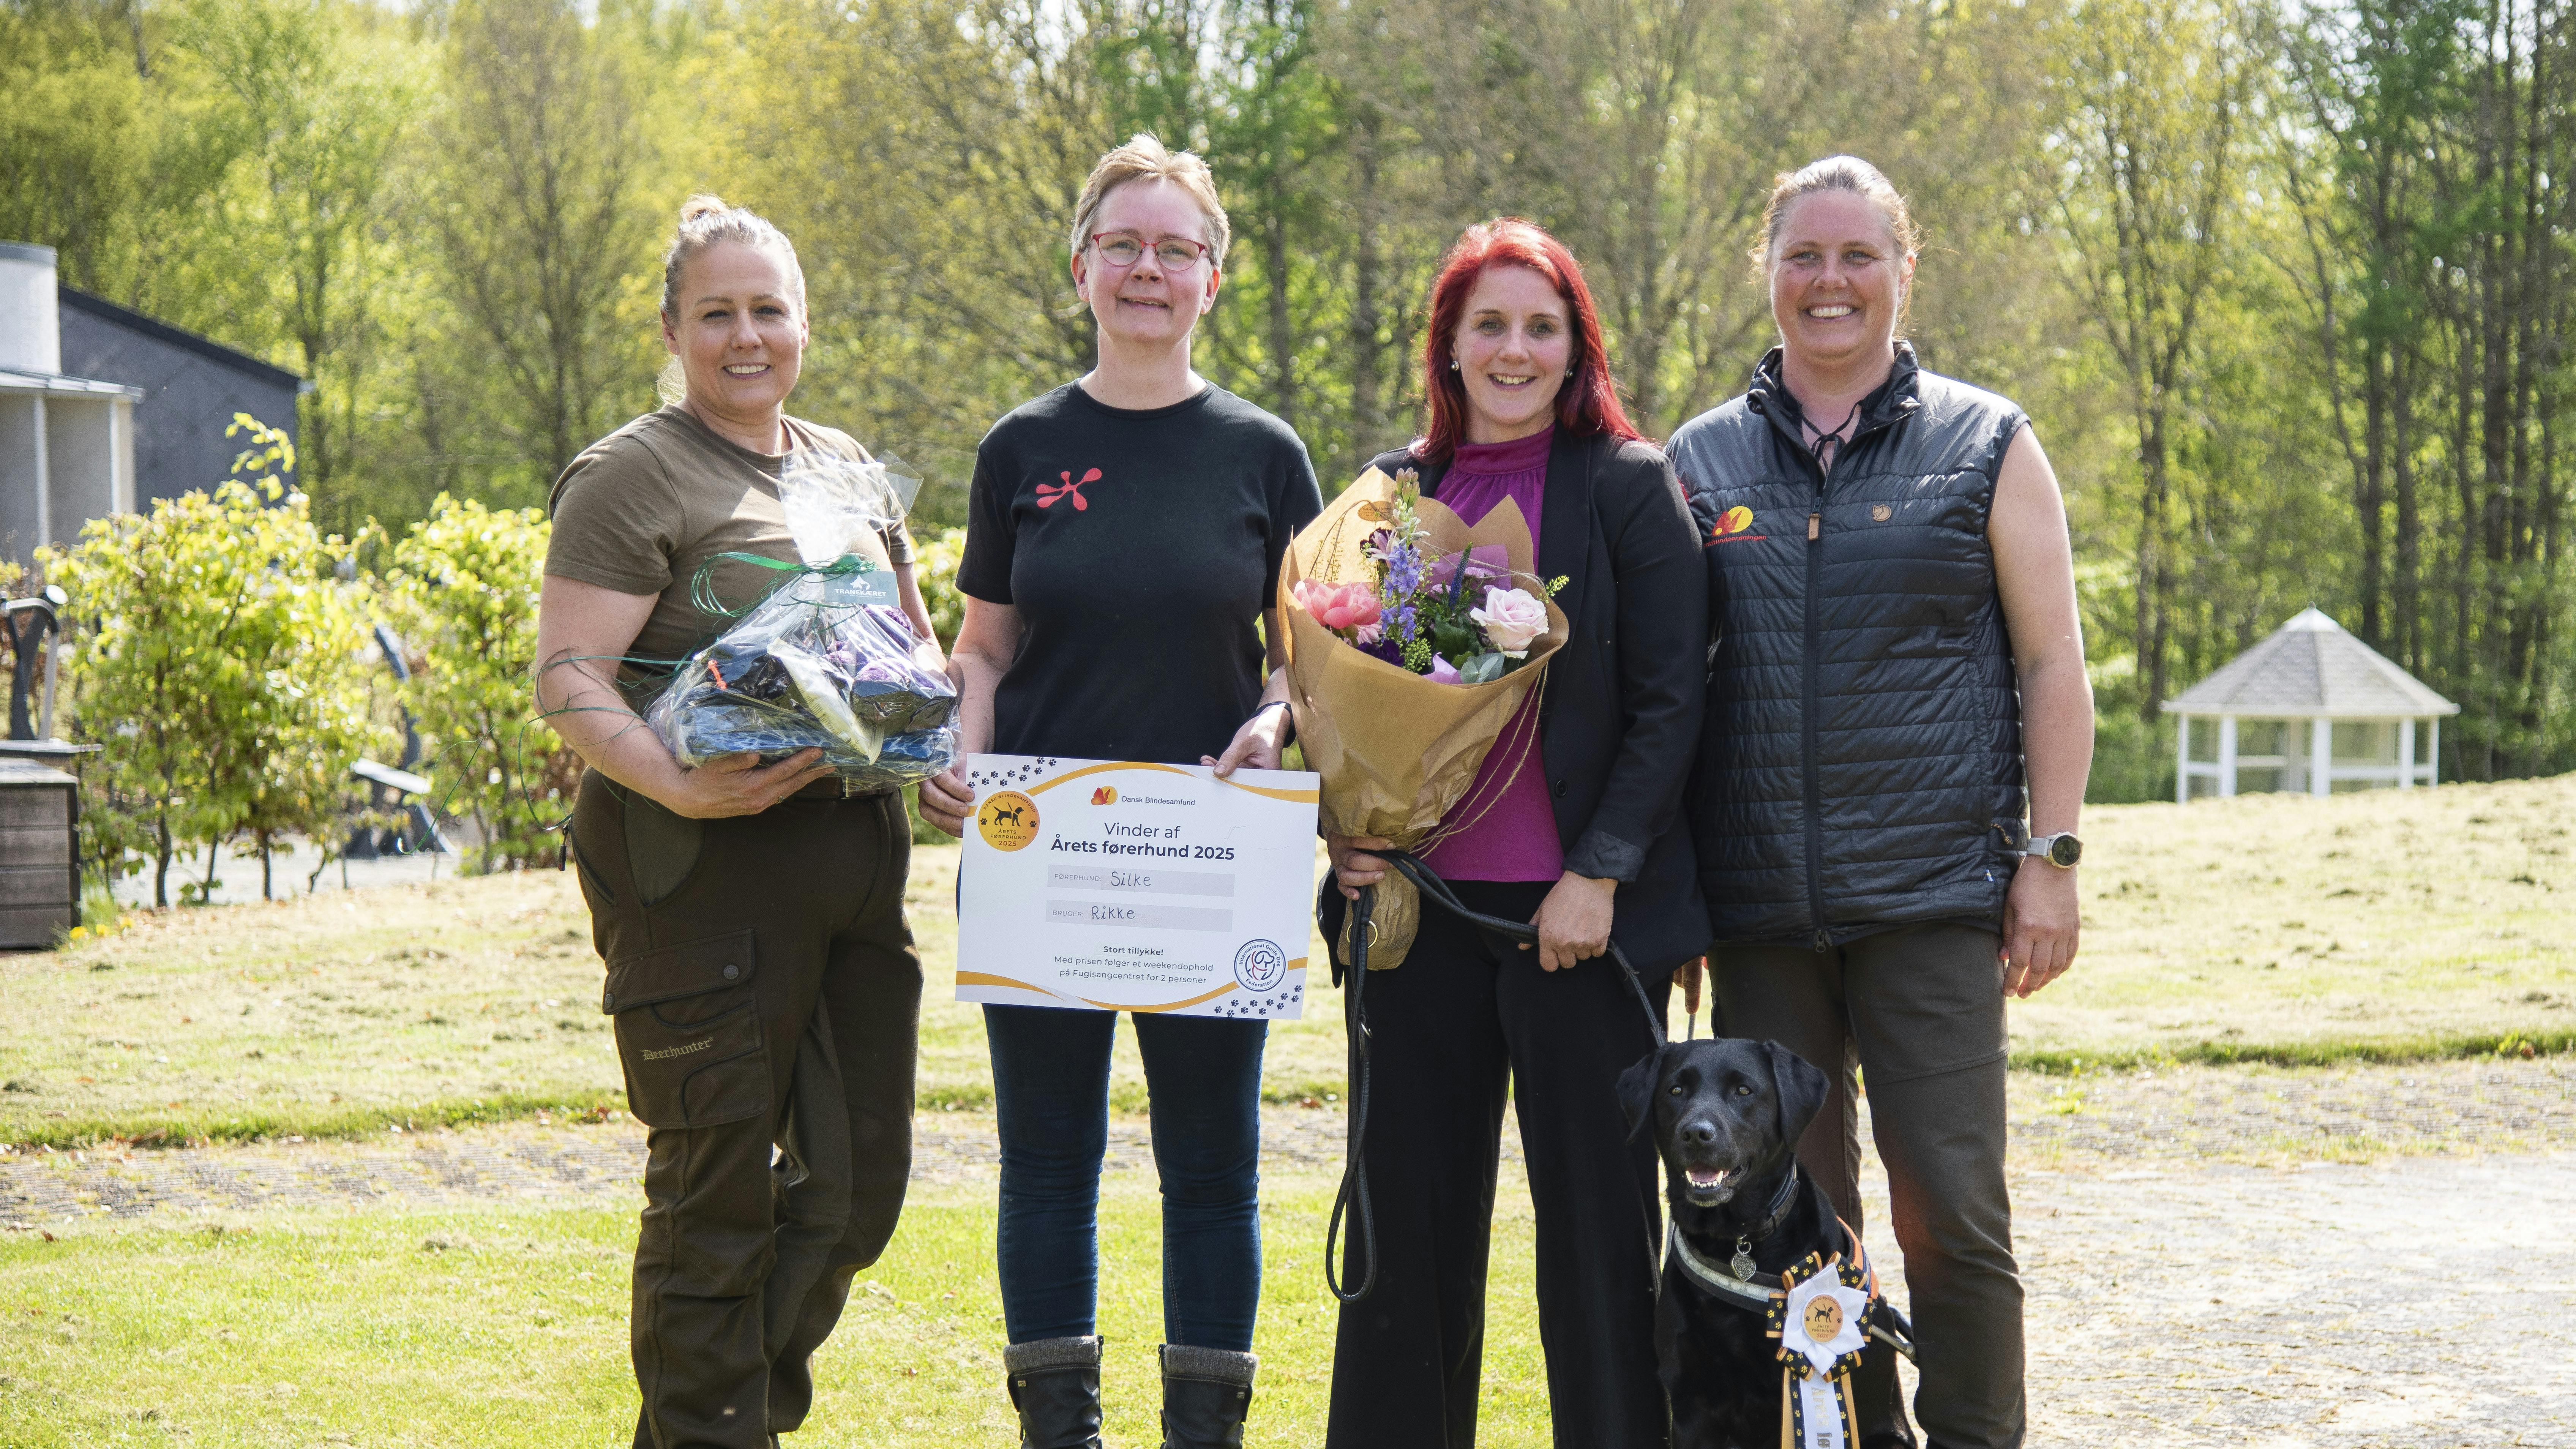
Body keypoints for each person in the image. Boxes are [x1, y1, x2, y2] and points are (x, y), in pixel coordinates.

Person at [1665, 156, 2094, 1449]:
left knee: (1951, 1215)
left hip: (1934, 901)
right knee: (1789, 1219)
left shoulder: (1989, 441)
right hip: (1758, 914)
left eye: (1859, 255)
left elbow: (2052, 663)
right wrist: (1672, 894)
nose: (1830, 281)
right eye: (1804, 255)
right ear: (1769, 270)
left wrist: (2051, 856)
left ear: (1905, 269)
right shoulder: (1699, 459)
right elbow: (1665, 692)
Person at [914, 134, 1322, 1449]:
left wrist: (1274, 718)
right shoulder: (1020, 448)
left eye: (1176, 249)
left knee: (1213, 1170)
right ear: (1082, 264)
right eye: (1124, 245)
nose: (1149, 269)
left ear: (1215, 277)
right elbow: (984, 648)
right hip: (1042, 860)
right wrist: (960, 747)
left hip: (1218, 857)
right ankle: (1062, 1433)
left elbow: (1307, 660)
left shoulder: (1267, 455)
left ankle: (1205, 1434)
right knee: (1046, 1167)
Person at [535, 195, 944, 1449]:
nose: (746, 336)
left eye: (769, 310)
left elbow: (914, 650)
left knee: (857, 1186)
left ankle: (720, 1425)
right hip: (697, 863)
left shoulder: (845, 469)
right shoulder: (633, 473)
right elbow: (568, 677)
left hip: (853, 861)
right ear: (673, 331)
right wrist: (674, 780)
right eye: (717, 314)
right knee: (716, 1196)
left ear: (805, 325)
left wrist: (936, 753)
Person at [1319, 219, 1708, 1449]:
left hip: (1577, 928)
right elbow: (1339, 688)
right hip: (1418, 921)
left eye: (1542, 327)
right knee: (1404, 1244)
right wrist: (1347, 831)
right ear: (1448, 343)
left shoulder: (1630, 485)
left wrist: (1599, 873)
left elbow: (1673, 701)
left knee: (1597, 1247)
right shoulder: (1394, 494)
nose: (1514, 350)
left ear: (1576, 347)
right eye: (1488, 324)